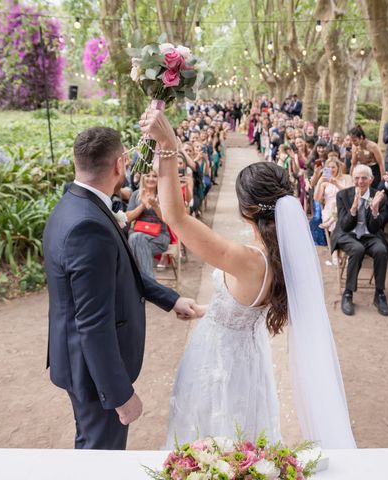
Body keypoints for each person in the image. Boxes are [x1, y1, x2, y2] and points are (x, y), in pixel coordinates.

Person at [139, 107, 356, 450]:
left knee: (208, 439)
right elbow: (243, 306)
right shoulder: (280, 258)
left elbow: (175, 218)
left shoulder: (244, 259)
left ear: (248, 209)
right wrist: (206, 309)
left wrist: (168, 143)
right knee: (240, 441)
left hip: (218, 361)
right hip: (249, 361)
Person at [43, 126, 199, 450]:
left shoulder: (72, 205)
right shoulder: (88, 225)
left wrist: (171, 300)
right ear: (121, 164)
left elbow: (122, 271)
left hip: (79, 360)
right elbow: (93, 322)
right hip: (93, 372)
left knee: (90, 447)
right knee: (101, 455)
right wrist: (119, 394)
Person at [331, 164, 388, 317]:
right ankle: (348, 293)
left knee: (381, 250)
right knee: (357, 249)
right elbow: (344, 226)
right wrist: (354, 208)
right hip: (347, 234)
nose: (360, 181)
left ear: (371, 180)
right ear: (353, 179)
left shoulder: (378, 196)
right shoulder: (343, 195)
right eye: (357, 178)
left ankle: (380, 294)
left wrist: (375, 210)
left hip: (369, 234)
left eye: (364, 178)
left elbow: (374, 228)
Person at [126, 170, 171, 278]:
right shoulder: (136, 194)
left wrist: (155, 206)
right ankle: (150, 283)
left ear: (158, 179)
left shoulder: (164, 195)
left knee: (134, 240)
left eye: (154, 176)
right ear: (143, 177)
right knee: (138, 240)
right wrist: (142, 205)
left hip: (159, 237)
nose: (151, 179)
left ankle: (145, 284)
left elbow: (167, 220)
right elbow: (128, 218)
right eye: (148, 176)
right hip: (139, 237)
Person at [349, 125, 385, 190]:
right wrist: (351, 178)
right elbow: (353, 164)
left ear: (361, 137)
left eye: (354, 140)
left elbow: (381, 163)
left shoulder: (373, 146)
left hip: (374, 171)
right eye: (351, 141)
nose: (353, 143)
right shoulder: (355, 147)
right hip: (362, 170)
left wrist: (383, 181)